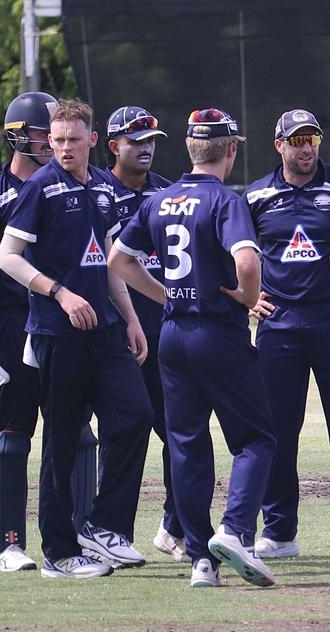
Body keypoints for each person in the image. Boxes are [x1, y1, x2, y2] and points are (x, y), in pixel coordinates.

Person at [109, 107, 277, 589]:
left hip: (173, 334)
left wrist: (165, 296)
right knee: (255, 439)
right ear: (231, 150)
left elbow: (119, 259)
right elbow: (246, 261)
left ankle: (202, 560)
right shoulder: (226, 200)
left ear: (188, 148)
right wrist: (247, 297)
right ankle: (236, 530)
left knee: (187, 448)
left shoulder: (159, 200)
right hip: (217, 334)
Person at [0, 99, 154, 579]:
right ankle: (58, 554)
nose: (62, 147)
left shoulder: (106, 188)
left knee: (135, 415)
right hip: (56, 334)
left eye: (71, 139)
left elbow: (108, 261)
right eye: (56, 140)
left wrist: (129, 317)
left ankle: (102, 526)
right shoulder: (40, 188)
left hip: (106, 331)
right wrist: (60, 294)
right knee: (62, 441)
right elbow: (9, 256)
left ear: (91, 140)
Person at [0, 91, 96, 573]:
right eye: (42, 133)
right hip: (18, 322)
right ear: (18, 135)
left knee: (76, 434)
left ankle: (77, 535)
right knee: (13, 436)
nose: (52, 142)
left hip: (68, 323)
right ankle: (8, 544)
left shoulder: (76, 186)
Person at [243, 109, 330, 558]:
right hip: (279, 325)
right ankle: (279, 533)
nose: (305, 148)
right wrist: (247, 296)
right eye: (296, 140)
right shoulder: (257, 195)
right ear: (278, 144)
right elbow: (231, 248)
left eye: (312, 139)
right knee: (279, 430)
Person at [95, 105, 186, 563]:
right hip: (117, 336)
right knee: (122, 431)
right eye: (135, 141)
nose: (145, 148)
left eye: (151, 140)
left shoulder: (168, 195)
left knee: (179, 432)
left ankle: (176, 526)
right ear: (114, 146)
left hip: (166, 333)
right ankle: (111, 532)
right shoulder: (96, 193)